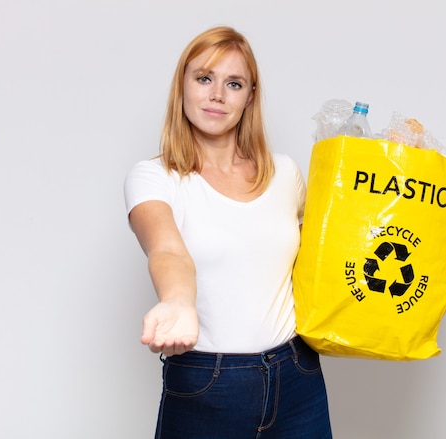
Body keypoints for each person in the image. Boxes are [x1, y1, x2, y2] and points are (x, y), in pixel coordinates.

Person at [123, 26, 332, 438]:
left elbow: (323, 257)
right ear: (182, 85)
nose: (217, 94)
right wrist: (178, 301)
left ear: (249, 96)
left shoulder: (285, 173)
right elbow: (167, 250)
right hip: (209, 384)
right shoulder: (154, 177)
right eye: (204, 78)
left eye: (233, 83)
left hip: (297, 374)